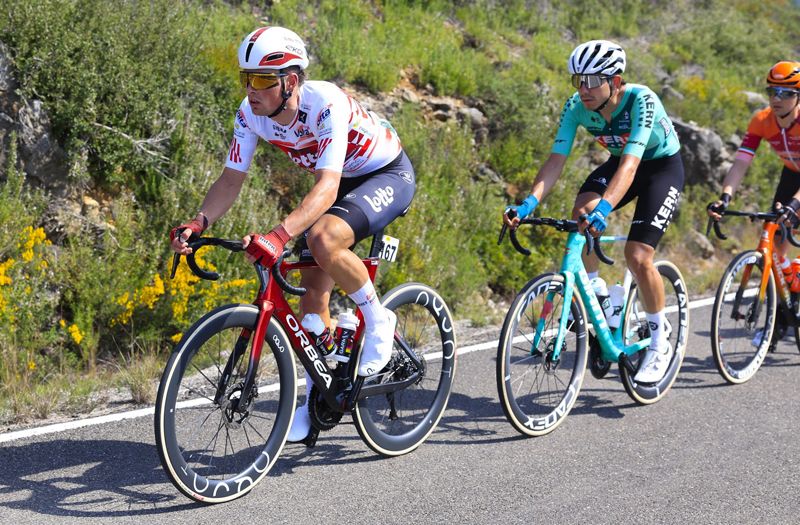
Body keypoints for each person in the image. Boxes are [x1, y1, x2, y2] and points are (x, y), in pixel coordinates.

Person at [169, 27, 415, 442]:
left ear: (291, 82)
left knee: (322, 240)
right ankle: (317, 393)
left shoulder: (325, 105)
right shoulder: (249, 114)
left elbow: (328, 187)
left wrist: (278, 235)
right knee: (311, 286)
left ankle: (378, 319)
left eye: (264, 80)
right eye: (246, 79)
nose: (252, 90)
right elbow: (230, 180)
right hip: (339, 183)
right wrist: (198, 223)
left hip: (383, 173)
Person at [503, 39, 684, 383]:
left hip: (660, 168)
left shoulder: (641, 100)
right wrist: (528, 203)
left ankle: (660, 342)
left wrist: (605, 208)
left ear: (615, 82)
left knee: (638, 254)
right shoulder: (576, 106)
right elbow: (556, 161)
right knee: (580, 213)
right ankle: (599, 294)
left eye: (591, 80)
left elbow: (630, 168)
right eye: (577, 80)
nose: (583, 89)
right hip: (621, 163)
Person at [707, 61, 800, 347]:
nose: (777, 98)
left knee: (789, 216)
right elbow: (740, 164)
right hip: (792, 174)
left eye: (786, 93)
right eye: (773, 91)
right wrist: (725, 197)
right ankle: (784, 309)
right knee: (773, 240)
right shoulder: (761, 120)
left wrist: (796, 205)